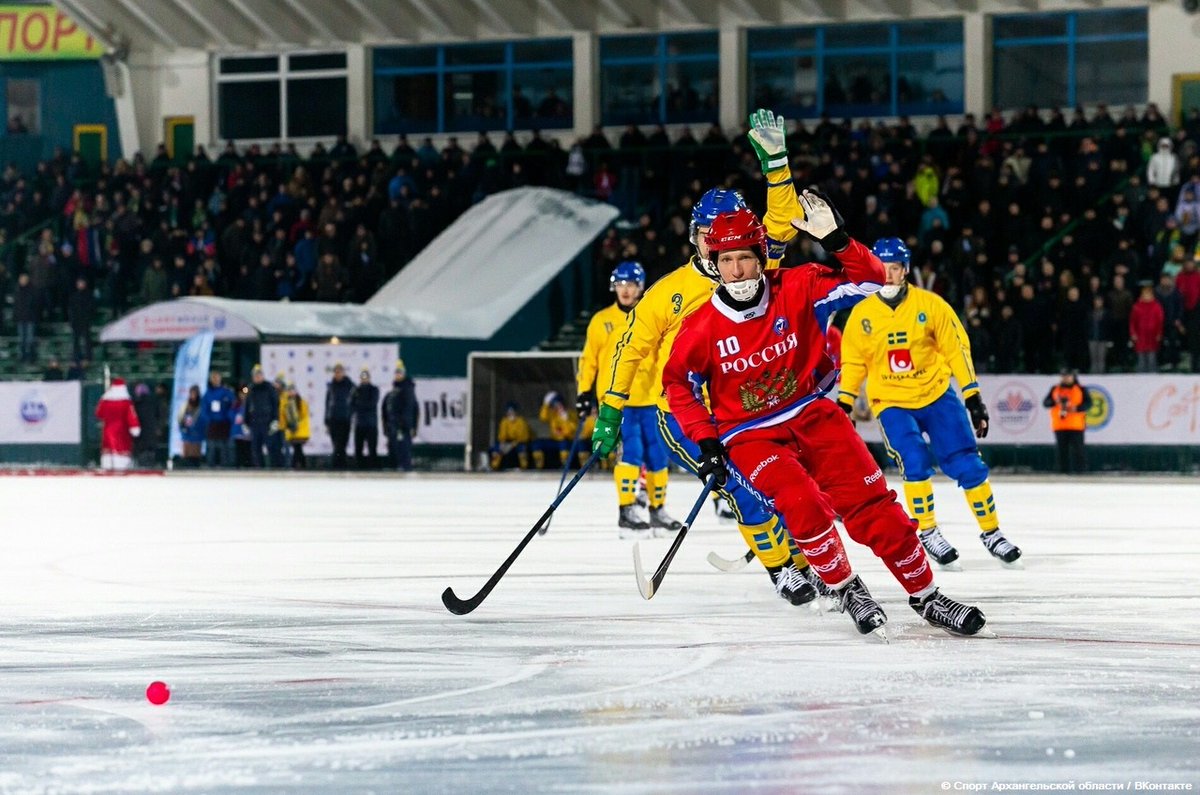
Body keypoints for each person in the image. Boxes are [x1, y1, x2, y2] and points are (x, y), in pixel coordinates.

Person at [662, 203, 986, 637]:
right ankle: (846, 587)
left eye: (744, 258)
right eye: (725, 260)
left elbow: (871, 280)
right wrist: (705, 441)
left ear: (761, 257)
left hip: (815, 414)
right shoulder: (698, 327)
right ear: (714, 264)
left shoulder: (800, 285)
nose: (736, 270)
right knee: (803, 505)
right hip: (751, 436)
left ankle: (927, 596)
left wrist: (837, 240)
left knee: (875, 507)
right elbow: (678, 385)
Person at [592, 109, 830, 607]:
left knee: (791, 483)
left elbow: (783, 221)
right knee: (745, 488)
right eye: (706, 232)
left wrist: (778, 168)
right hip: (686, 415)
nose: (717, 243)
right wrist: (611, 409)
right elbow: (630, 348)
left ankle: (811, 561)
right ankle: (782, 569)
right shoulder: (669, 292)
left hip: (746, 405)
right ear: (695, 235)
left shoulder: (752, 262)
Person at [837, 238, 1022, 569]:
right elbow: (853, 362)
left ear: (906, 270)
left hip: (937, 394)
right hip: (891, 400)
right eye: (883, 269)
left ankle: (992, 532)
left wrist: (972, 395)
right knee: (915, 461)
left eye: (895, 269)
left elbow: (956, 348)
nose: (889, 276)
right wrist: (846, 402)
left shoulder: (932, 305)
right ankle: (928, 531)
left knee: (967, 463)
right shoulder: (862, 313)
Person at [577, 260, 682, 537]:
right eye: (621, 284)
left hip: (651, 397)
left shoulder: (650, 314)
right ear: (614, 286)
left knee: (659, 455)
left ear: (641, 286)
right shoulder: (601, 321)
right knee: (631, 453)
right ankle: (627, 510)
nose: (626, 290)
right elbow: (589, 360)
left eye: (632, 284)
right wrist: (583, 391)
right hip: (618, 402)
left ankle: (657, 510)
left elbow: (664, 353)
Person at [1043, 370, 1091, 474]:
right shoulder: (1055, 389)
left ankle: (1081, 472)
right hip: (1060, 425)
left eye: (1068, 376)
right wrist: (1056, 402)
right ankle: (1062, 472)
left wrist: (1076, 408)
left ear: (1073, 377)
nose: (1065, 378)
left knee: (1078, 450)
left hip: (1076, 425)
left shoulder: (1081, 389)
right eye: (1063, 376)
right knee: (1061, 451)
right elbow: (1046, 403)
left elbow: (1088, 404)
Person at [95, 377, 141, 471]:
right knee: (120, 451)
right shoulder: (126, 402)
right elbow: (131, 416)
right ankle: (120, 467)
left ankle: (107, 466)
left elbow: (98, 413)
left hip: (107, 430)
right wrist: (135, 427)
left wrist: (103, 399)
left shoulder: (106, 401)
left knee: (107, 451)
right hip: (121, 431)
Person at [382, 359, 419, 472]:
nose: (398, 375)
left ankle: (405, 470)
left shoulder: (407, 389)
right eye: (396, 372)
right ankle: (397, 469)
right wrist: (388, 425)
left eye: (400, 372)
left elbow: (410, 409)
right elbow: (387, 410)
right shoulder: (394, 390)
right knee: (395, 450)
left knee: (403, 451)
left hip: (402, 427)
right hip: (394, 426)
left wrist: (404, 424)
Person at [244, 364, 280, 468]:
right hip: (255, 423)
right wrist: (246, 422)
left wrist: (275, 420)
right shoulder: (250, 389)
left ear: (263, 375)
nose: (257, 377)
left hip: (267, 422)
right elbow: (247, 406)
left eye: (259, 375)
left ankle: (274, 469)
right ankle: (259, 469)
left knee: (271, 447)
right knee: (255, 448)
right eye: (255, 375)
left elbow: (275, 405)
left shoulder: (269, 387)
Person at [200, 370, 235, 468]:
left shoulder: (226, 392)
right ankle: (210, 465)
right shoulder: (207, 394)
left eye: (217, 377)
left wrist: (229, 417)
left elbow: (232, 406)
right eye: (213, 378)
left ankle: (225, 466)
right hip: (212, 423)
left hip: (225, 423)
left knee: (225, 447)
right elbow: (204, 408)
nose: (215, 380)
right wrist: (208, 419)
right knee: (211, 447)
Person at [534, 392, 578, 469]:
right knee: (537, 444)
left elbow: (572, 430)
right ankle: (539, 467)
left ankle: (565, 465)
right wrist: (545, 404)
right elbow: (543, 417)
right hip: (555, 440)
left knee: (564, 445)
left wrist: (565, 420)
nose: (558, 407)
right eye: (555, 405)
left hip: (568, 440)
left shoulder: (571, 414)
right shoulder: (553, 414)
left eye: (559, 405)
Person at [1130, 280, 1164, 373]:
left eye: (1149, 293)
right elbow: (1132, 322)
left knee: (1152, 358)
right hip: (1141, 336)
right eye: (1145, 293)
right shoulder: (1137, 307)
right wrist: (1133, 333)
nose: (1147, 295)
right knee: (1141, 359)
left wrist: (1159, 333)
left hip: (1152, 337)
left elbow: (1160, 321)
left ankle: (1153, 377)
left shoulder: (1157, 306)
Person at [350, 367, 381, 469]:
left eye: (366, 377)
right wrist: (359, 403)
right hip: (359, 424)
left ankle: (374, 468)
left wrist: (359, 403)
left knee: (372, 449)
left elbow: (371, 404)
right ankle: (359, 469)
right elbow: (351, 405)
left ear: (369, 378)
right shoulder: (356, 390)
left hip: (371, 424)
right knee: (358, 448)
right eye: (362, 377)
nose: (364, 379)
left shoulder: (374, 389)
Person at [325, 363, 353, 469]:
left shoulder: (349, 385)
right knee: (336, 444)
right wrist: (326, 420)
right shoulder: (331, 386)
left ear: (343, 372)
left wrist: (350, 414)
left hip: (345, 419)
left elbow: (354, 402)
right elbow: (327, 403)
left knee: (343, 444)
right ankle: (337, 465)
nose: (337, 374)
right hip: (333, 419)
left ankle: (341, 465)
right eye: (336, 372)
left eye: (339, 372)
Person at [490, 401, 532, 470]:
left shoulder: (521, 421)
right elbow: (502, 436)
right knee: (497, 448)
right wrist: (503, 444)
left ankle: (524, 466)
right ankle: (495, 466)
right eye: (509, 412)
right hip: (508, 442)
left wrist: (512, 445)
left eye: (512, 412)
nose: (511, 414)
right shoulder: (504, 421)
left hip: (520, 442)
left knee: (522, 449)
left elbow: (523, 438)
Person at [281, 383, 311, 469]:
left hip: (300, 431)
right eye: (289, 390)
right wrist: (287, 426)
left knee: (297, 449)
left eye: (292, 390)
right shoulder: (285, 402)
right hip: (291, 430)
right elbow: (283, 416)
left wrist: (296, 425)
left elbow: (304, 416)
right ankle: (300, 466)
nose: (291, 392)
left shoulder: (301, 402)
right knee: (297, 449)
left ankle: (296, 466)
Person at [177, 384, 205, 468]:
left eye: (194, 394)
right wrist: (182, 427)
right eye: (191, 393)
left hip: (197, 432)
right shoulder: (185, 405)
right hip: (187, 432)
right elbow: (180, 417)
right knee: (187, 452)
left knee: (195, 452)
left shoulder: (201, 405)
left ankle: (195, 466)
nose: (193, 396)